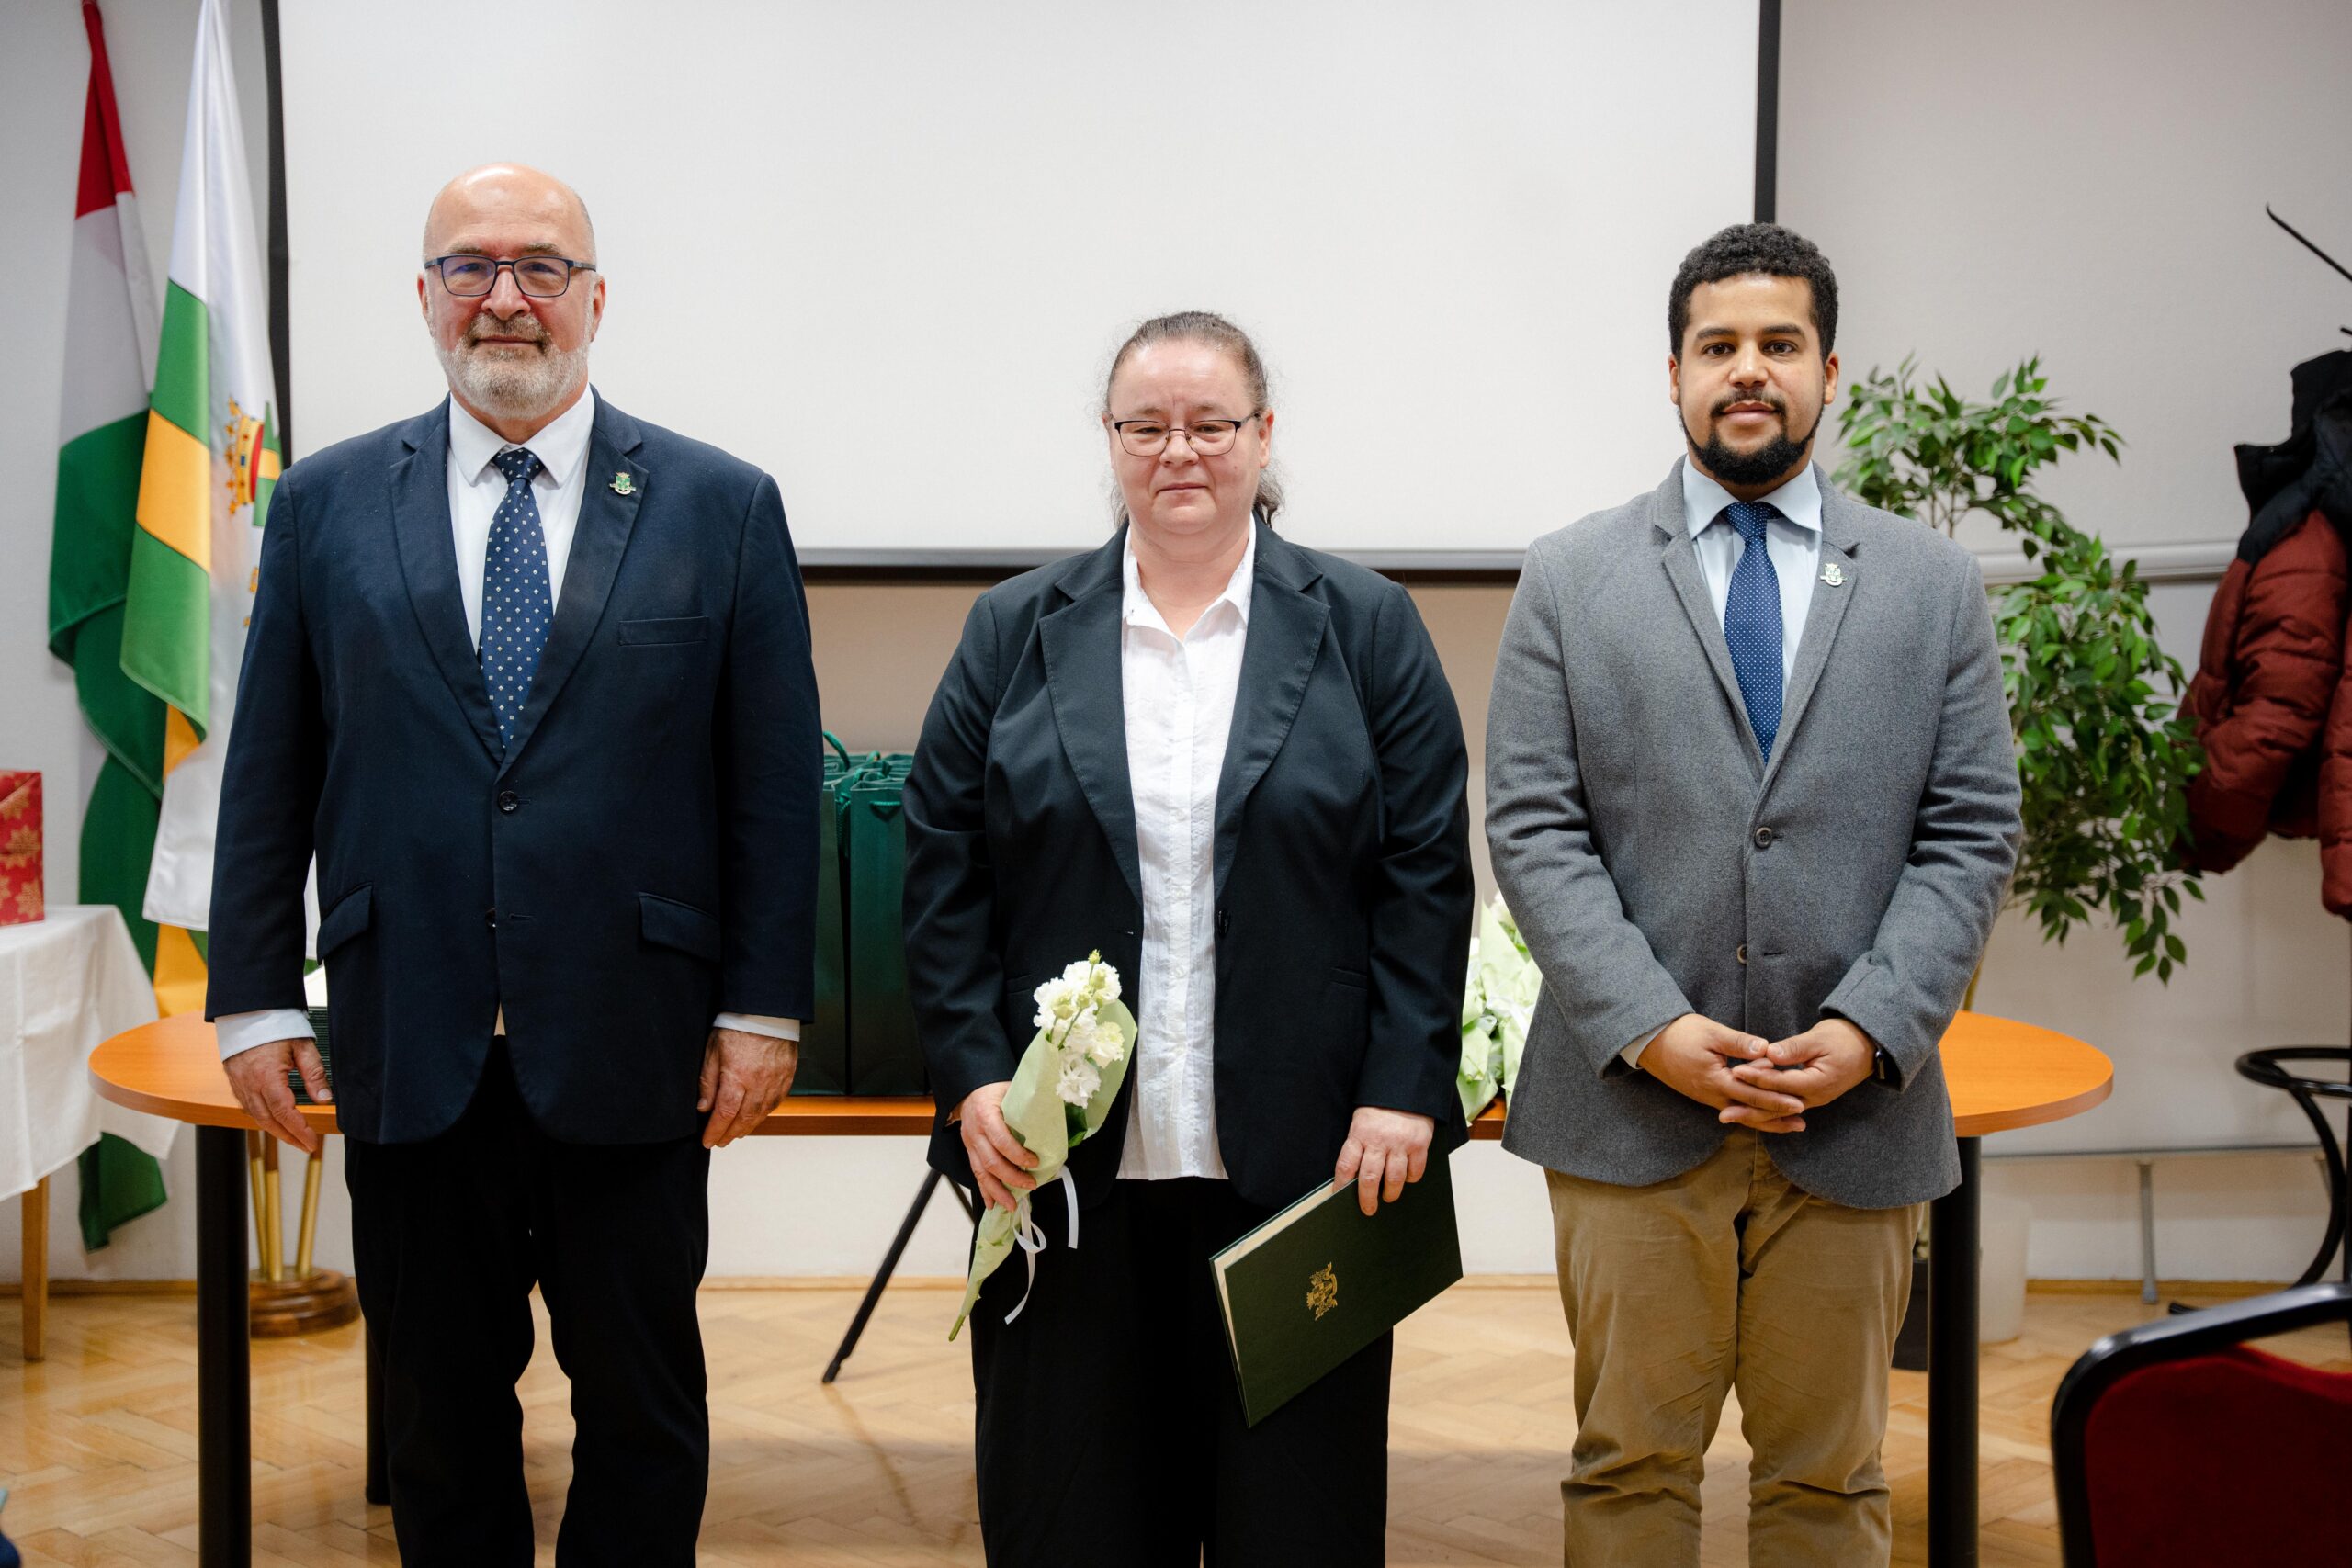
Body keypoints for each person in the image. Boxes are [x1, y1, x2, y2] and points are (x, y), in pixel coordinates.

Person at [205, 164, 820, 1566]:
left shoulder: (721, 505)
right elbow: (271, 773)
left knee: (644, 1415)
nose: (505, 296)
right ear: (424, 298)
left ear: (596, 298)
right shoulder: (324, 503)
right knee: (438, 1422)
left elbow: (772, 789)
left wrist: (761, 1007)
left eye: (542, 266)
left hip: (637, 1042)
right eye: (469, 266)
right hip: (409, 1040)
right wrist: (254, 999)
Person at [1485, 224, 2022, 1566]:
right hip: (1629, 1112)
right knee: (1626, 1471)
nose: (1748, 370)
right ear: (1672, 372)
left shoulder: (1932, 586)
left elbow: (1970, 832)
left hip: (1855, 1116)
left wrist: (1871, 1029)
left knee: (1830, 1483)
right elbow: (1534, 828)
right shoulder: (1570, 576)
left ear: (1829, 372)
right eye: (1717, 345)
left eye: (1780, 344)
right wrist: (1652, 1029)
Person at [903, 310, 1474, 1565]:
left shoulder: (1367, 625)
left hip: (1307, 1168)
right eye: (1146, 425)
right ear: (1109, 440)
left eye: (1211, 424)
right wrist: (974, 1077)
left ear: (1263, 436)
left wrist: (1401, 1086)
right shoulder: (1015, 628)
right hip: (1062, 1170)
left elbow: (1427, 872)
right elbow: (943, 865)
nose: (1180, 451)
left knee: (1296, 1525)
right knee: (1075, 1521)